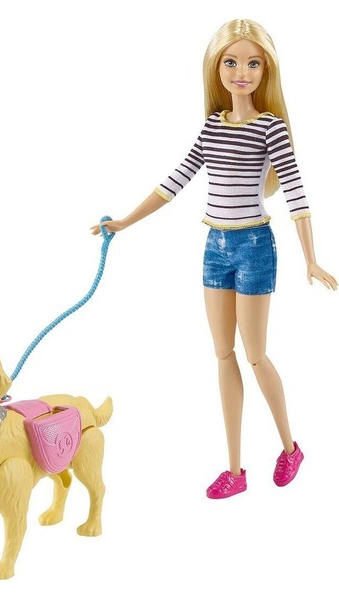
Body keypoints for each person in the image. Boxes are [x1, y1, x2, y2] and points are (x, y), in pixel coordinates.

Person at [91, 19, 337, 499]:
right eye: (232, 62)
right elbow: (174, 181)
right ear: (216, 67)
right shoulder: (211, 127)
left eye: (253, 63)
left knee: (255, 354)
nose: (242, 72)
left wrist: (311, 257)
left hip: (255, 247)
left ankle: (290, 448)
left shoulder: (270, 128)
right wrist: (124, 222)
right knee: (223, 354)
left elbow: (296, 193)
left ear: (266, 70)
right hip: (214, 248)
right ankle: (235, 469)